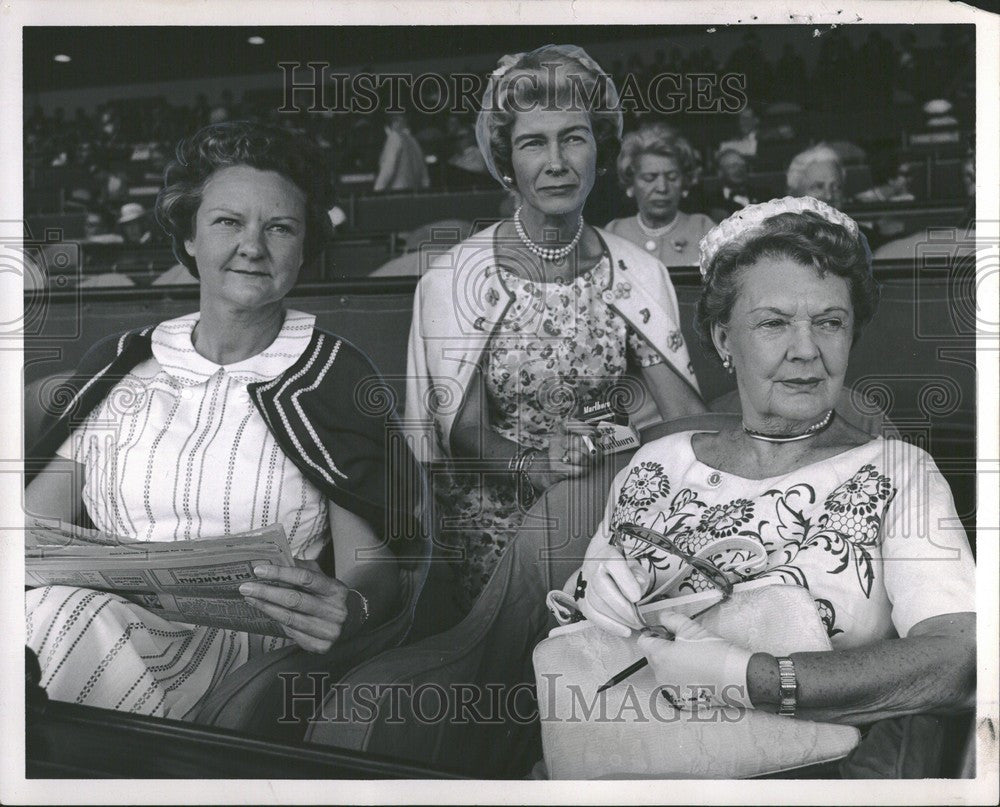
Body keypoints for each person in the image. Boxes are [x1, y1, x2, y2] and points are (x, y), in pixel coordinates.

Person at [25, 121, 422, 719]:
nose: (253, 246)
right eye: (228, 222)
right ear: (189, 238)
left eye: (280, 227)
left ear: (304, 247)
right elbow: (32, 531)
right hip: (87, 612)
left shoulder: (334, 375)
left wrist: (350, 608)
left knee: (56, 626)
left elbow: (372, 574)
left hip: (243, 653)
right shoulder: (124, 363)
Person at [577, 196, 975, 743]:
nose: (806, 349)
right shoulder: (657, 464)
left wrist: (753, 678)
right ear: (723, 339)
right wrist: (587, 596)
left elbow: (957, 659)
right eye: (773, 323)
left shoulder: (901, 474)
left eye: (829, 322)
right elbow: (581, 641)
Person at [405, 45, 706, 615]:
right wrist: (535, 466)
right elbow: (460, 428)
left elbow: (681, 419)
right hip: (496, 521)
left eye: (573, 137)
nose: (556, 162)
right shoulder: (455, 277)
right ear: (506, 161)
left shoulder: (637, 271)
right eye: (532, 142)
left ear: (599, 151)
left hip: (610, 503)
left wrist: (616, 457)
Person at [605, 123, 715, 269]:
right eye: (650, 178)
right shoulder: (615, 231)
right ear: (631, 184)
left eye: (672, 177)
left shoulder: (703, 228)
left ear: (684, 182)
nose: (662, 188)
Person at [372, 111, 430, 192]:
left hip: (397, 195)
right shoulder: (414, 141)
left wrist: (376, 191)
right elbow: (425, 176)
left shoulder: (394, 137)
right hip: (415, 194)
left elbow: (388, 168)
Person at [704, 148, 766, 223]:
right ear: (720, 172)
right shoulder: (710, 202)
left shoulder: (764, 195)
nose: (739, 170)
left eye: (742, 166)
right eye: (733, 166)